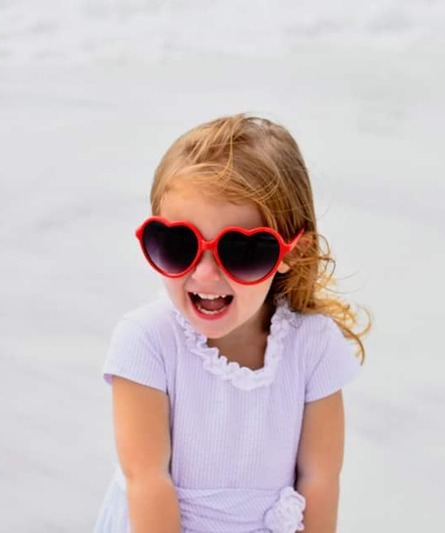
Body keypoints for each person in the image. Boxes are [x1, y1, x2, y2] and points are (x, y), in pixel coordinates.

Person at [94, 114, 369, 533]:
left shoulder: (314, 346)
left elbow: (321, 479)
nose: (204, 276)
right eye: (178, 245)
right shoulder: (146, 341)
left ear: (291, 253)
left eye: (240, 251)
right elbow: (147, 481)